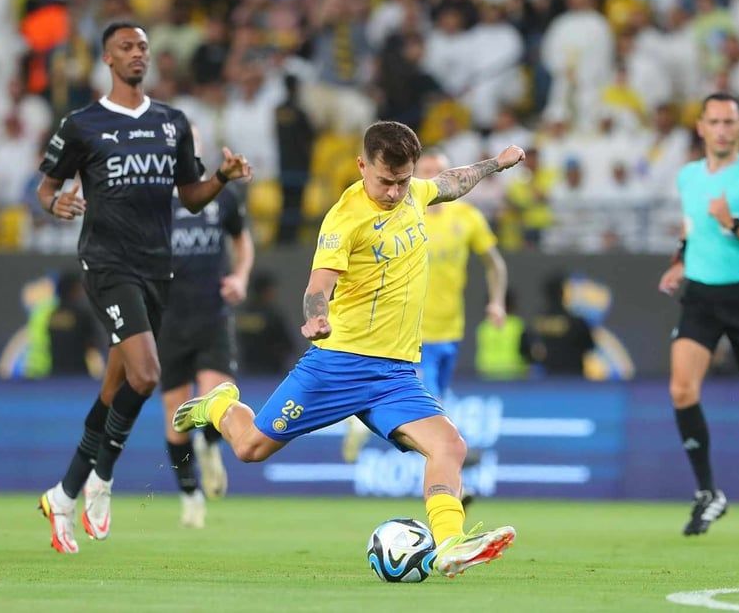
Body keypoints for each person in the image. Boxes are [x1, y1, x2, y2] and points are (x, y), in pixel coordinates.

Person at [172, 121, 524, 579]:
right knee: (250, 448)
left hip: (395, 375)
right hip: (338, 364)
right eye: (385, 181)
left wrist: (496, 164)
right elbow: (318, 285)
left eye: (402, 181)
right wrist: (316, 316)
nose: (394, 192)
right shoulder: (345, 218)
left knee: (449, 446)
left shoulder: (415, 193)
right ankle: (220, 404)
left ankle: (450, 544)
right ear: (362, 165)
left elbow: (452, 181)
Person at [35, 21, 252, 554]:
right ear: (107, 58)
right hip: (108, 265)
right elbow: (46, 188)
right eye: (127, 47)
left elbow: (192, 196)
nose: (138, 54)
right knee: (148, 373)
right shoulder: (82, 124)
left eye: (143, 47)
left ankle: (63, 495)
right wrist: (56, 203)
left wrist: (222, 178)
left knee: (116, 387)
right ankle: (102, 476)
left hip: (158, 270)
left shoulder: (171, 122)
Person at [657, 92, 739, 538]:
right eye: (713, 121)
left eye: (729, 122)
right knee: (681, 389)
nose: (721, 130)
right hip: (700, 295)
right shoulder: (689, 176)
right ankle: (708, 492)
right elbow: (692, 226)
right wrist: (681, 259)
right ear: (700, 127)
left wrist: (734, 224)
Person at [342, 148, 508, 461]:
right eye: (427, 172)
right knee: (430, 412)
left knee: (434, 402)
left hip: (451, 329)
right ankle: (453, 470)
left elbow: (494, 263)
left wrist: (497, 302)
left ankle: (364, 420)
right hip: (413, 332)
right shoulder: (399, 215)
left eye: (439, 171)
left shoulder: (467, 217)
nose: (434, 178)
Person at [158, 129, 254, 528]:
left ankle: (211, 446)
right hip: (167, 319)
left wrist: (241, 277)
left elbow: (242, 240)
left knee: (216, 399)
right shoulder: (152, 200)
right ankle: (189, 493)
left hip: (212, 313)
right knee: (176, 415)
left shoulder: (221, 196)